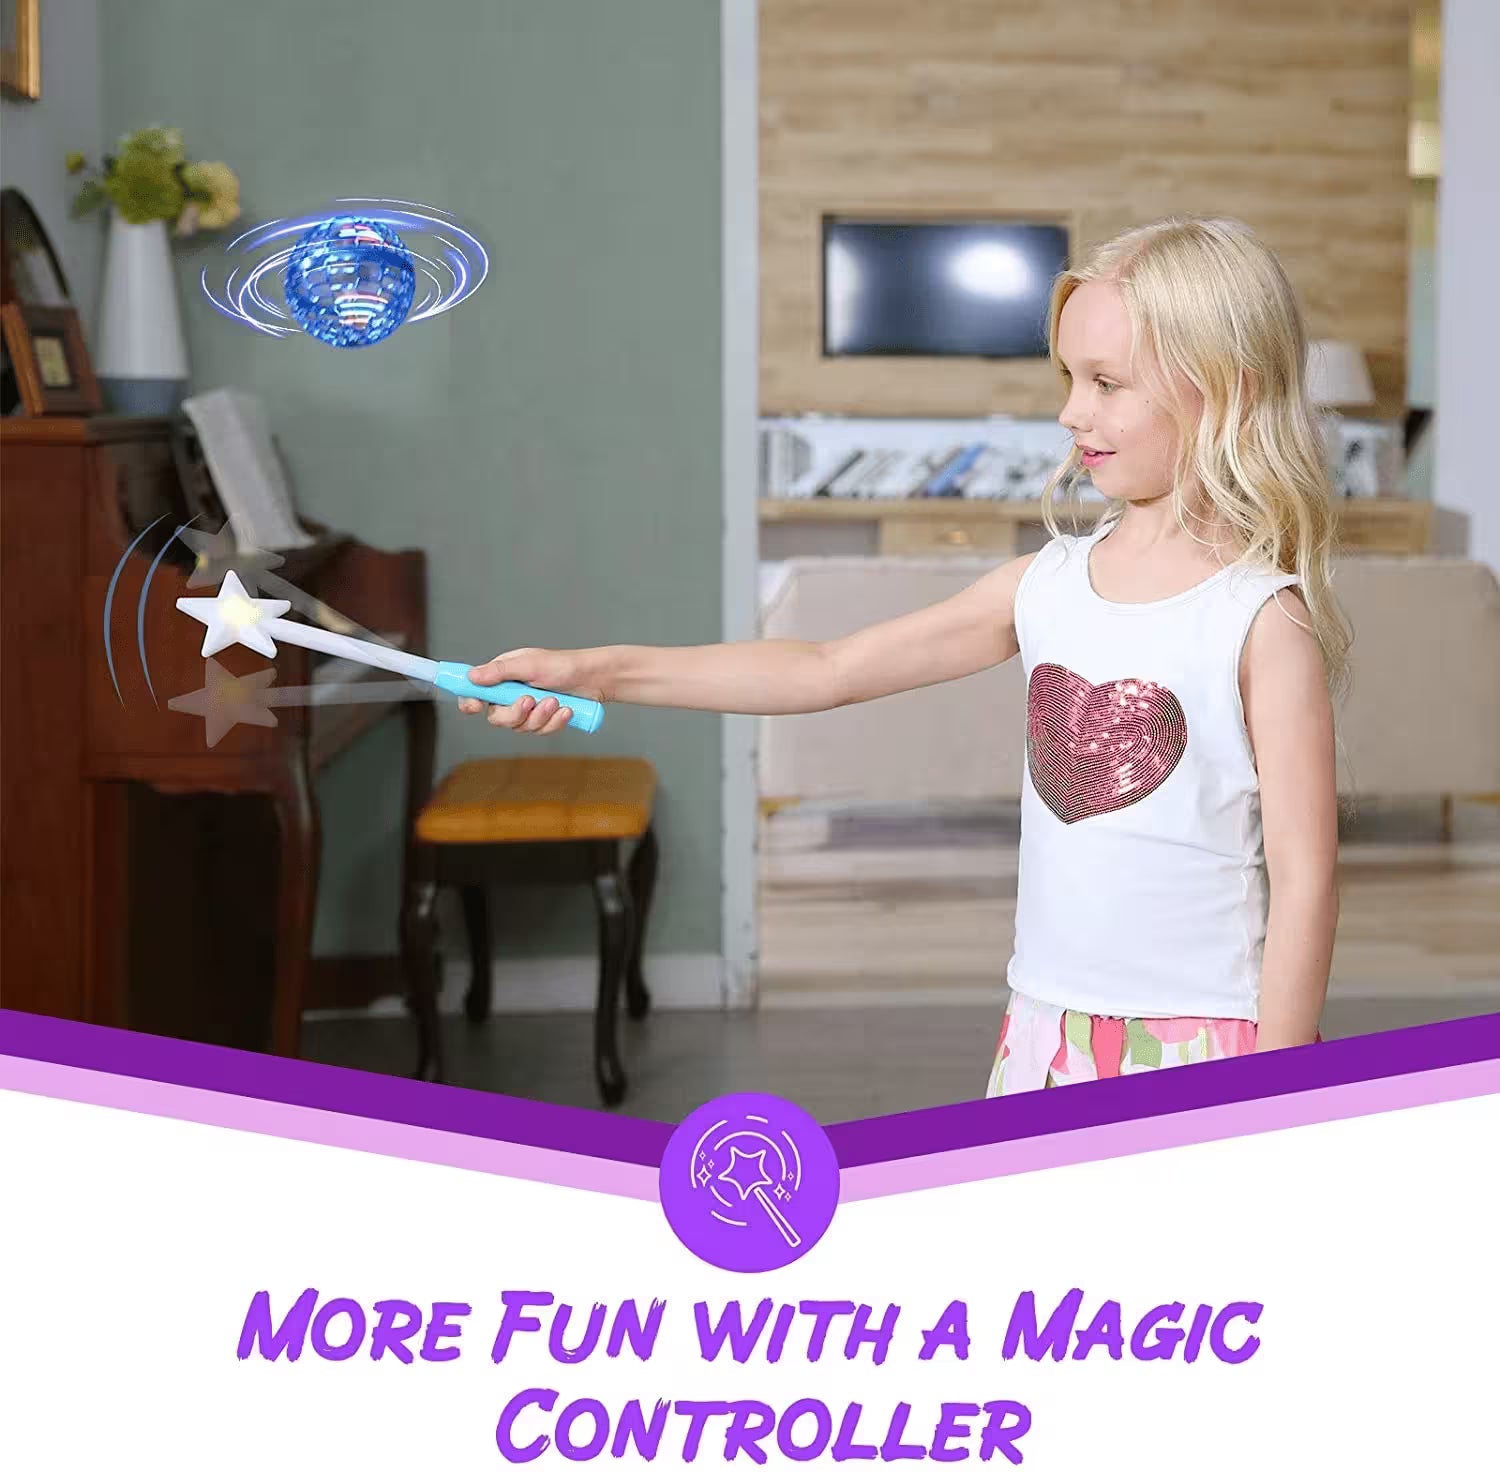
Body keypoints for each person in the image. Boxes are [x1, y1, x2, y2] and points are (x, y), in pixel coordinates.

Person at [457, 215, 1349, 1094]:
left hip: (1210, 1038)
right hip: (1045, 1028)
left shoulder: (1259, 620)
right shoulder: (1044, 584)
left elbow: (1306, 885)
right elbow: (824, 669)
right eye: (1070, 377)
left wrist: (1271, 1098)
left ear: (1221, 387)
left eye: (1107, 383)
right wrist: (595, 671)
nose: (1072, 411)